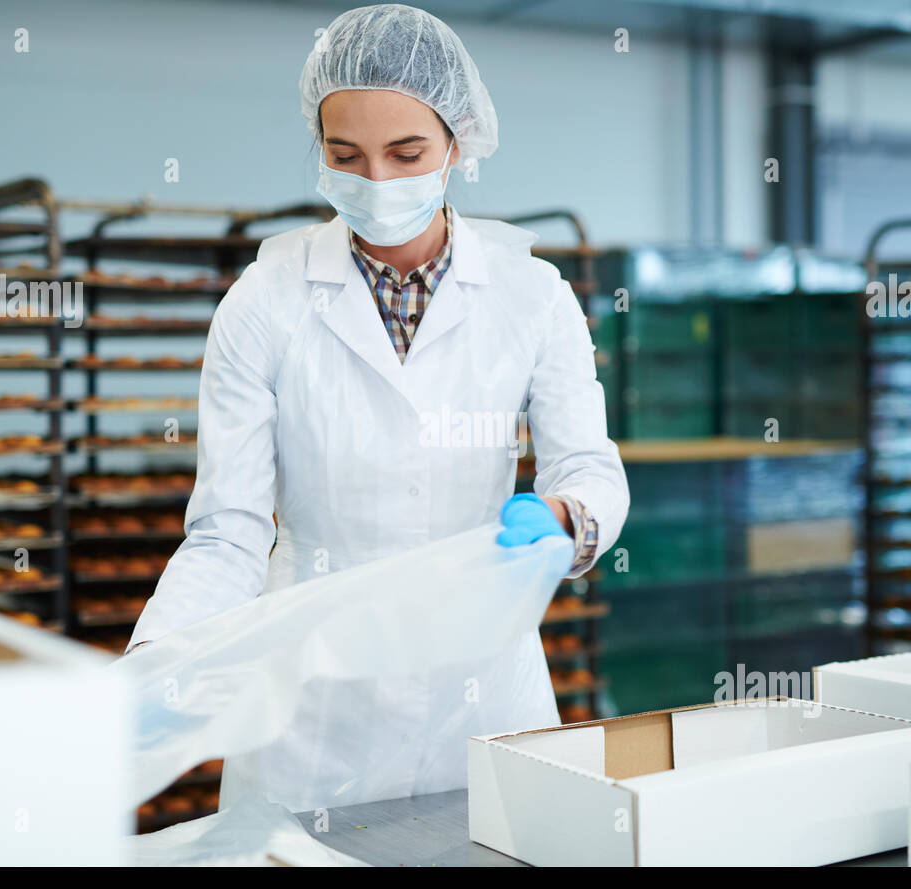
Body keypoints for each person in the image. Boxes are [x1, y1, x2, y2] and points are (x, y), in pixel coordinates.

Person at [126, 3, 628, 812]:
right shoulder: (265, 302)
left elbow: (589, 466)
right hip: (315, 718)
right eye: (345, 155)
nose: (378, 181)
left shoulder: (531, 295)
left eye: (406, 152)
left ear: (457, 143)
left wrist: (568, 516)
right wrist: (158, 661)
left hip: (483, 697)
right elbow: (229, 533)